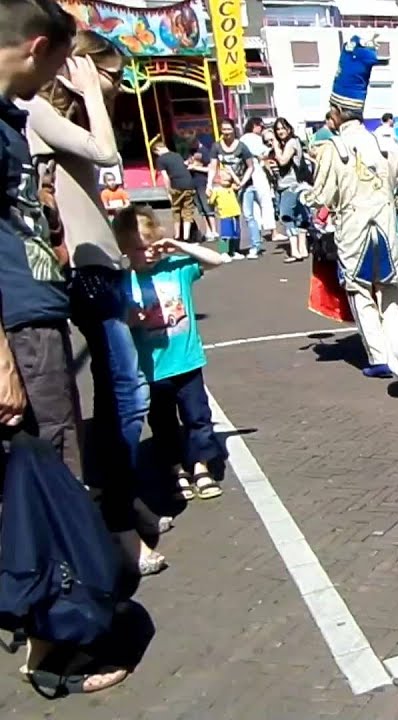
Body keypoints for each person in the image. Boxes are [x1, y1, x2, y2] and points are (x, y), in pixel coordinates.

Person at [0, 0, 132, 694]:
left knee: (55, 461)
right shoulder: (14, 116)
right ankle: (62, 636)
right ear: (40, 49)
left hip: (37, 310)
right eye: (64, 64)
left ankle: (53, 622)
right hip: (22, 322)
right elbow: (104, 153)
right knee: (57, 469)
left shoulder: (7, 119)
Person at [23, 29, 168, 573]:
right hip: (79, 273)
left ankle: (121, 499)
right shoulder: (38, 109)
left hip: (101, 266)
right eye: (108, 74)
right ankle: (115, 521)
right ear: (73, 67)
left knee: (120, 395)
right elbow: (106, 153)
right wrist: (88, 94)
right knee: (122, 395)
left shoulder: (61, 116)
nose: (115, 86)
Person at [304, 35, 398, 378]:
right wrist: (394, 205)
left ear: (338, 112)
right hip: (385, 225)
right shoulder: (385, 142)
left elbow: (321, 197)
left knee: (360, 291)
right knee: (390, 290)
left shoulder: (331, 148)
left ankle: (379, 357)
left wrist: (303, 196)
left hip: (352, 230)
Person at [115, 206, 226, 501]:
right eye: (140, 249)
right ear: (126, 249)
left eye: (152, 246)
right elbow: (117, 319)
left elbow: (218, 260)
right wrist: (130, 318)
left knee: (197, 417)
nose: (149, 253)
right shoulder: (124, 281)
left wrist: (177, 245)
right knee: (163, 425)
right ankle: (176, 469)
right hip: (152, 367)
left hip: (187, 361)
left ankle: (200, 466)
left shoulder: (176, 267)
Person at [206, 119, 256, 258]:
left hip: (239, 186)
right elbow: (212, 166)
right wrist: (210, 184)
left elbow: (251, 166)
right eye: (224, 129)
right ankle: (223, 251)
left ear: (234, 129)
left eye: (229, 129)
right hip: (223, 198)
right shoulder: (216, 147)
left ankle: (235, 250)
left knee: (237, 226)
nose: (227, 132)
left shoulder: (242, 147)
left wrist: (241, 182)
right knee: (225, 231)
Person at [268, 117, 309, 263]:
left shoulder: (291, 142)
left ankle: (295, 250)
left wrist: (275, 146)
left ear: (289, 129)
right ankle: (302, 248)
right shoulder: (287, 143)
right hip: (286, 184)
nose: (280, 132)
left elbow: (283, 160)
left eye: (282, 128)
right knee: (299, 215)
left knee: (286, 215)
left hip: (291, 185)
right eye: (277, 129)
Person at [237, 117, 276, 255]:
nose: (263, 129)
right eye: (262, 126)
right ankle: (272, 231)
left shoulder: (242, 139)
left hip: (247, 176)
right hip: (257, 172)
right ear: (255, 126)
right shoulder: (252, 138)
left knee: (253, 207)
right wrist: (273, 145)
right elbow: (264, 154)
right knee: (265, 201)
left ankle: (258, 232)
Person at [151, 136, 199, 242]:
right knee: (187, 211)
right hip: (189, 183)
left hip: (176, 185)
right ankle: (186, 237)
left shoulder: (161, 159)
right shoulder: (177, 155)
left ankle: (177, 236)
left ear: (157, 150)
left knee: (176, 210)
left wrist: (168, 190)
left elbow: (165, 177)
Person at [185, 142, 217, 239]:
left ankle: (214, 231)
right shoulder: (191, 151)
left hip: (203, 181)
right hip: (193, 182)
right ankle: (208, 230)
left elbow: (211, 168)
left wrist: (195, 167)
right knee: (201, 209)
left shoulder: (205, 151)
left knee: (207, 207)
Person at [208, 171, 241, 259]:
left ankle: (233, 251)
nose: (228, 181)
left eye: (229, 180)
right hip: (225, 215)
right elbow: (211, 201)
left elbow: (239, 184)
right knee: (225, 235)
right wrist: (209, 192)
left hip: (235, 213)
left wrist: (232, 173)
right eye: (225, 179)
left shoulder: (231, 188)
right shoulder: (216, 190)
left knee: (235, 234)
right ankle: (223, 252)